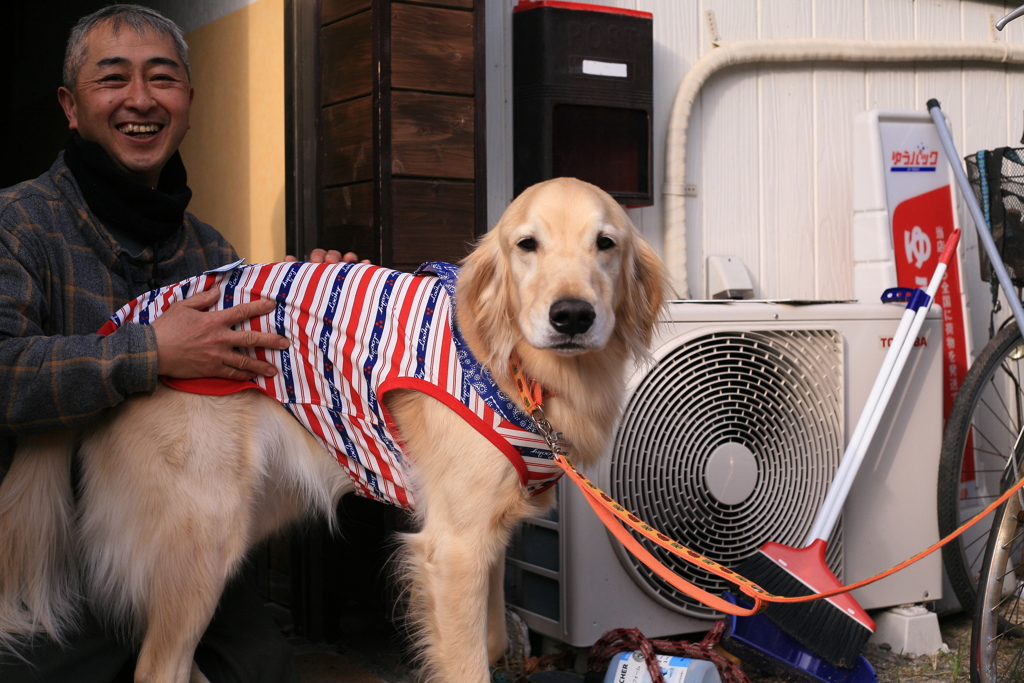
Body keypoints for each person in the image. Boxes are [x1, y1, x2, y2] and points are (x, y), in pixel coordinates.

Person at [0, 5, 351, 681]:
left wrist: (320, 305)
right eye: (114, 79)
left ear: (187, 100)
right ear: (71, 107)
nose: (140, 99)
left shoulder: (210, 249)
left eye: (162, 78)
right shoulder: (18, 223)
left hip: (175, 534)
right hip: (51, 544)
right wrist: (148, 352)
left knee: (262, 666)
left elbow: (254, 387)